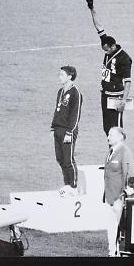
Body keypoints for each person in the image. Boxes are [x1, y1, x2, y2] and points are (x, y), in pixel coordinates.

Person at [86, 0, 133, 136]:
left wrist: (123, 100)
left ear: (113, 46)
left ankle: (120, 155)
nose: (105, 53)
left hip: (116, 97)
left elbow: (128, 81)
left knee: (116, 129)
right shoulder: (107, 43)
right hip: (105, 95)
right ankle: (112, 153)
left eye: (107, 50)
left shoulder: (124, 58)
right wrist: (92, 8)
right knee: (107, 128)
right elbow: (98, 25)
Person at [50, 66, 83, 198]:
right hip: (58, 129)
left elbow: (76, 115)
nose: (60, 76)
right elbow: (57, 110)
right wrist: (53, 127)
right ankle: (67, 185)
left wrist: (70, 132)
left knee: (68, 159)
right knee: (60, 158)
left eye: (62, 74)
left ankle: (74, 186)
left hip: (68, 131)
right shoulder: (60, 91)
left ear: (70, 76)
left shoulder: (76, 93)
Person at [103, 127, 133, 256]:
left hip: (118, 197)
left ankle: (117, 252)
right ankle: (112, 252)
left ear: (120, 136)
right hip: (110, 196)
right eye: (108, 135)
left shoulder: (124, 151)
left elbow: (129, 175)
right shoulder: (111, 151)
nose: (108, 137)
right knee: (111, 226)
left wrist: (122, 196)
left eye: (111, 135)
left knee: (118, 227)